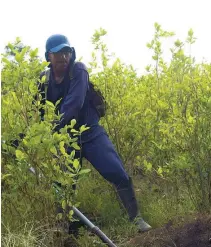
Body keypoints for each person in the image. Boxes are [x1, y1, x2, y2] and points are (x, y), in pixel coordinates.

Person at [38, 34, 152, 233]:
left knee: (117, 173)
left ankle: (136, 219)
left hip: (90, 133)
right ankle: (64, 227)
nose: (64, 57)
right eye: (58, 53)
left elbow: (74, 104)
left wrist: (52, 132)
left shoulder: (78, 70)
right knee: (64, 185)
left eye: (67, 52)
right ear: (49, 56)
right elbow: (37, 112)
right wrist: (37, 136)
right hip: (66, 138)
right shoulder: (44, 80)